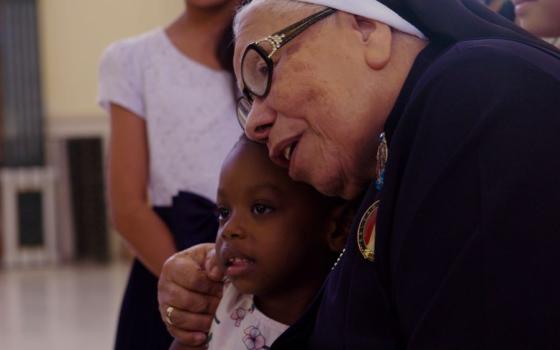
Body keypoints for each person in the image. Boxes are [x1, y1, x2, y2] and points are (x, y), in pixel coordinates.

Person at [158, 0, 560, 349]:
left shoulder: (479, 91)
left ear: (367, 32)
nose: (254, 127)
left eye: (262, 71)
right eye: (246, 101)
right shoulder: (395, 146)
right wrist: (228, 288)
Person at [97, 0, 240, 348]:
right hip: (169, 262)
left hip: (264, 263)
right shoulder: (133, 59)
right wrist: (191, 287)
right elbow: (127, 206)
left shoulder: (270, 48)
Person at [169, 136, 351, 350]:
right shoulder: (218, 305)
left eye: (260, 209)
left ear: (337, 229)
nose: (229, 229)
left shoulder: (348, 326)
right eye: (224, 212)